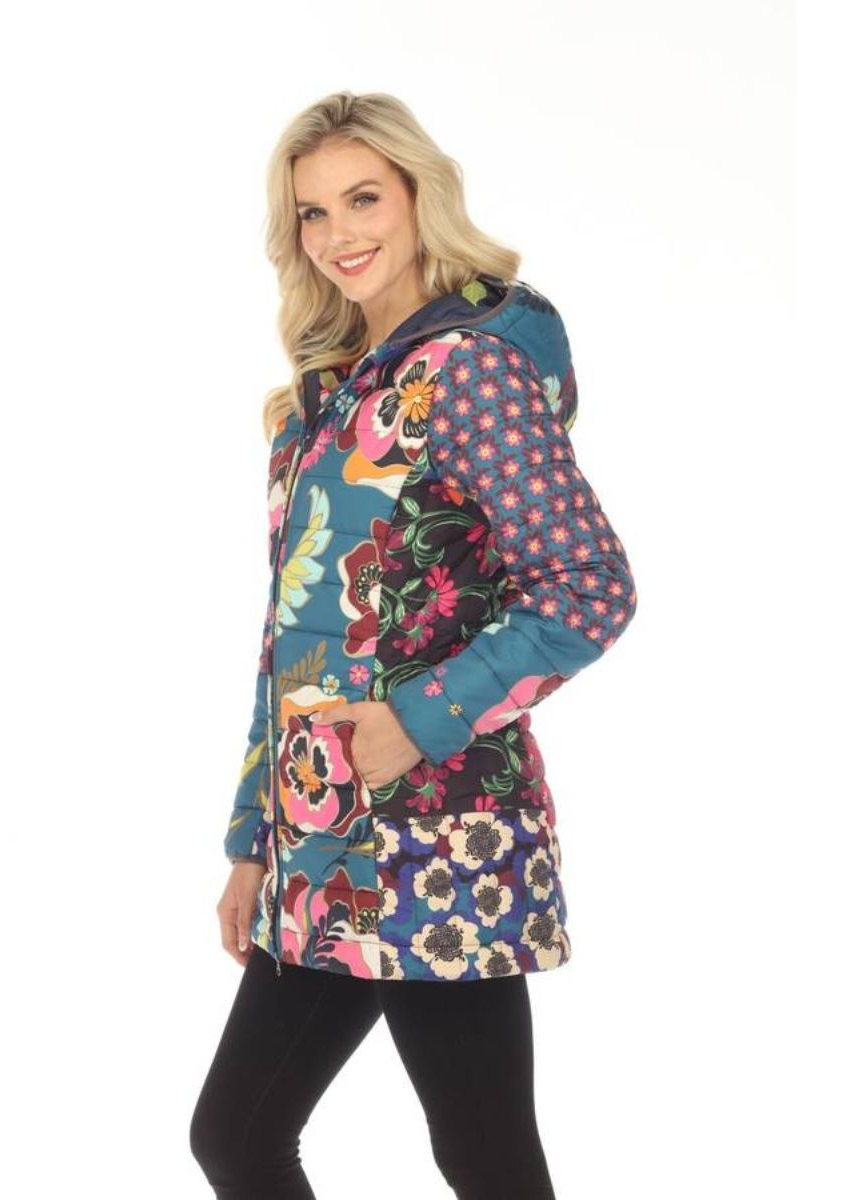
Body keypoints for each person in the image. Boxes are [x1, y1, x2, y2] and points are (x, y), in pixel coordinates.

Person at [190, 90, 638, 1199]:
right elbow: (294, 637)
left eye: (363, 199)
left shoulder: (473, 369)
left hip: (442, 838)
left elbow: (589, 589)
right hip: (321, 836)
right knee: (236, 1138)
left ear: (418, 195)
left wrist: (414, 722)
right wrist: (254, 836)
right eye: (312, 212)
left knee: (483, 1159)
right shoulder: (327, 397)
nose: (338, 235)